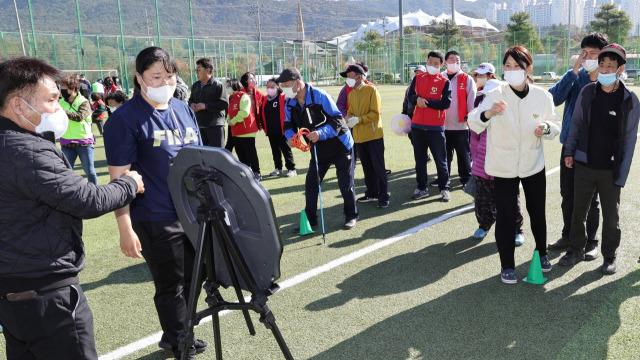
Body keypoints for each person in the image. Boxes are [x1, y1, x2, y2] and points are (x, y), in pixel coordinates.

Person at [0, 56, 144, 360]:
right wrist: (129, 183)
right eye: (52, 100)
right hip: (47, 293)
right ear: (18, 105)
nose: (59, 109)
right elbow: (87, 200)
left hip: (12, 293)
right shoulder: (28, 149)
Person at [103, 47, 207, 360]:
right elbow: (120, 180)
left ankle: (177, 330)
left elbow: (199, 155)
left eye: (170, 75)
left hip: (192, 212)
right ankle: (179, 340)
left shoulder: (181, 107)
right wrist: (125, 227)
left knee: (196, 275)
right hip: (154, 215)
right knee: (170, 283)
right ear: (139, 78)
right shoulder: (124, 120)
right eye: (156, 76)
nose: (164, 82)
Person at [468, 46, 560, 284]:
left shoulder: (542, 96)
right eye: (507, 66)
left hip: (532, 164)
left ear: (528, 69)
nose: (511, 70)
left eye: (517, 66)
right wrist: (488, 113)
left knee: (537, 212)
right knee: (506, 216)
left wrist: (546, 128)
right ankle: (507, 265)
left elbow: (554, 124)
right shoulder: (495, 93)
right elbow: (473, 121)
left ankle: (542, 254)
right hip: (503, 166)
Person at [558, 44, 639, 274]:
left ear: (620, 69)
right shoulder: (588, 92)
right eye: (602, 65)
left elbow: (630, 142)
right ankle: (575, 250)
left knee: (611, 217)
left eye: (610, 66)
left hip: (610, 170)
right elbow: (576, 124)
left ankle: (609, 256)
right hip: (584, 165)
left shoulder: (629, 99)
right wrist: (570, 152)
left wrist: (621, 175)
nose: (604, 70)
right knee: (578, 212)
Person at [547, 32, 609, 258]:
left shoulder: (609, 80)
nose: (589, 57)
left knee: (592, 198)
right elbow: (553, 98)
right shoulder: (576, 76)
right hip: (570, 147)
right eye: (586, 53)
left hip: (595, 150)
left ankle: (591, 241)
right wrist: (573, 72)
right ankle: (569, 235)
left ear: (604, 55)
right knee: (568, 194)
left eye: (594, 53)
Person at [277, 67, 359, 230]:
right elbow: (287, 125)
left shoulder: (320, 95)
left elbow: (337, 121)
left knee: (345, 183)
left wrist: (320, 133)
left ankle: (351, 215)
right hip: (318, 149)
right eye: (282, 86)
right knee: (311, 183)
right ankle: (310, 220)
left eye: (286, 84)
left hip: (340, 145)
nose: (284, 89)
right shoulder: (289, 102)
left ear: (298, 83)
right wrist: (291, 138)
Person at [470, 77, 526, 246]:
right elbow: (474, 138)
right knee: (482, 200)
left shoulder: (513, 114)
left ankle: (517, 230)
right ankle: (484, 225)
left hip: (505, 168)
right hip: (483, 167)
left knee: (510, 201)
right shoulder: (481, 113)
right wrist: (476, 159)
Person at [406, 50, 452, 202]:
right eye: (430, 62)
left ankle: (444, 188)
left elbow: (446, 103)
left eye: (436, 63)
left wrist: (426, 102)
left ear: (442, 65)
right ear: (427, 61)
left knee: (441, 160)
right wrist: (417, 99)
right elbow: (410, 96)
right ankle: (421, 188)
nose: (432, 65)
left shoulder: (445, 82)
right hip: (417, 126)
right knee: (420, 160)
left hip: (436, 127)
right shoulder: (418, 78)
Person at [344, 64, 389, 209]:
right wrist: (349, 118)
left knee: (378, 168)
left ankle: (383, 196)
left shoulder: (371, 90)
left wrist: (359, 119)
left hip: (373, 135)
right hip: (359, 136)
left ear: (358, 76)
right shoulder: (351, 94)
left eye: (349, 75)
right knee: (367, 167)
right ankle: (371, 193)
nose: (347, 79)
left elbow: (375, 114)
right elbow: (350, 111)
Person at [435, 50, 476, 189]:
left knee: (463, 155)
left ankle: (466, 179)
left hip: (461, 125)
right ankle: (443, 178)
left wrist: (470, 120)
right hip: (442, 124)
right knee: (444, 155)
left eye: (457, 60)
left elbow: (471, 101)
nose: (455, 62)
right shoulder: (439, 77)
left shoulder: (466, 78)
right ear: (445, 62)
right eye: (452, 59)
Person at [59, 76, 99, 185]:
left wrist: (63, 111)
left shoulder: (84, 102)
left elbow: (79, 117)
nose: (62, 90)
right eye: (61, 87)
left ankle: (95, 192)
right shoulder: (60, 102)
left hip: (84, 143)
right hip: (66, 143)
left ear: (73, 89)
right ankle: (69, 193)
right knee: (66, 172)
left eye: (64, 88)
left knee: (89, 172)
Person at [226, 78, 262, 180]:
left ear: (234, 85)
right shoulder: (232, 98)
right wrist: (229, 119)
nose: (227, 88)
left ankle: (256, 172)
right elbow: (230, 112)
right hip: (236, 131)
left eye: (228, 85)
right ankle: (246, 172)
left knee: (250, 153)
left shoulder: (244, 96)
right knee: (240, 154)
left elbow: (244, 112)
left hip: (247, 131)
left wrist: (232, 121)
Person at [261, 78, 296, 177]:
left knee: (286, 149)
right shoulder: (265, 99)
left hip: (282, 130)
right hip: (271, 130)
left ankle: (291, 168)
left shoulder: (283, 98)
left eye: (272, 87)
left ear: (277, 87)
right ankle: (278, 168)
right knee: (275, 150)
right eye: (267, 87)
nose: (269, 89)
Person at [189, 58, 228, 147]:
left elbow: (224, 104)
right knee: (203, 155)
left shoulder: (218, 85)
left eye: (198, 69)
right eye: (196, 69)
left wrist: (206, 106)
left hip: (215, 125)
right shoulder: (195, 86)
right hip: (199, 125)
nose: (196, 72)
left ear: (207, 70)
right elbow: (190, 100)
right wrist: (192, 105)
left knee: (217, 154)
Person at [402, 65, 432, 164]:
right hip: (411, 116)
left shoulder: (427, 87)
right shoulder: (410, 88)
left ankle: (424, 156)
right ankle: (423, 157)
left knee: (425, 138)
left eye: (420, 73)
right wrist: (404, 113)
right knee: (413, 139)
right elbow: (406, 101)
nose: (417, 75)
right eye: (416, 73)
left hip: (424, 116)